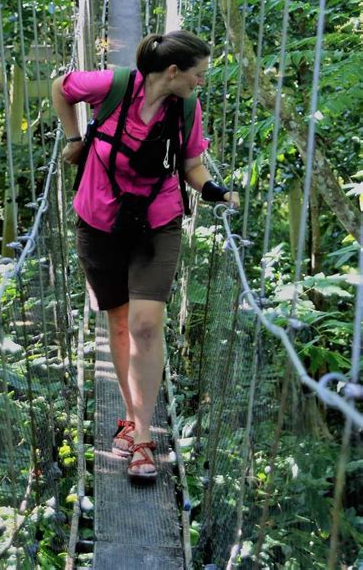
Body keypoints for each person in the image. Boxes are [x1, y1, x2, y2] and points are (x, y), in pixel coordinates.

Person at [52, 30, 239, 481]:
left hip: (158, 222)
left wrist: (218, 193)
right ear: (173, 72)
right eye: (198, 74)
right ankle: (134, 422)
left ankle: (141, 438)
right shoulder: (113, 85)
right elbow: (61, 87)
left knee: (145, 324)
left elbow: (192, 166)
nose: (202, 83)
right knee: (118, 322)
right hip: (100, 220)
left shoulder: (186, 108)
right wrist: (75, 138)